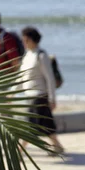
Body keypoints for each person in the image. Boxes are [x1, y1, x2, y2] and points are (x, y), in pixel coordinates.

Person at [18, 26, 65, 155]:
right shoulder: (27, 55)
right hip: (29, 95)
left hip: (39, 96)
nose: (23, 42)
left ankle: (20, 149)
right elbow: (22, 77)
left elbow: (49, 79)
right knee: (46, 124)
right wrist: (11, 92)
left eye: (25, 39)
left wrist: (52, 99)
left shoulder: (41, 55)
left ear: (32, 40)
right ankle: (58, 146)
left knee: (29, 124)